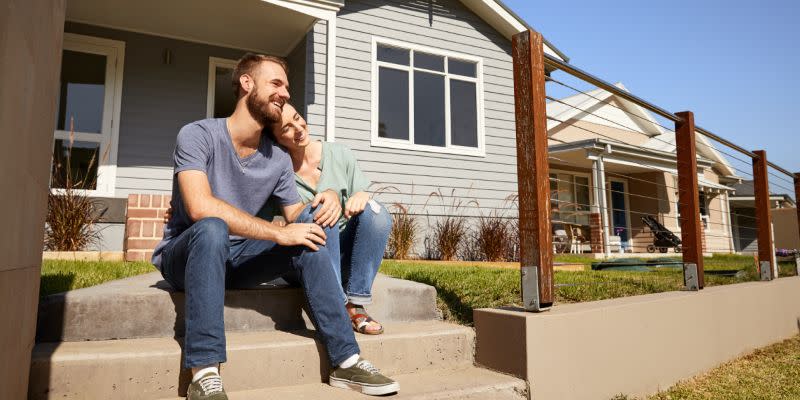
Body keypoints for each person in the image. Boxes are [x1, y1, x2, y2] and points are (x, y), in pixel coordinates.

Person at [151, 53, 398, 400]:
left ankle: (347, 360)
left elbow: (296, 213)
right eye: (276, 84)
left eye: (287, 87)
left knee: (309, 232)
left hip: (239, 259)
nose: (284, 93)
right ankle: (204, 373)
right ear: (246, 84)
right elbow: (199, 206)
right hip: (188, 255)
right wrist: (277, 232)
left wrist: (325, 197)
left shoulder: (278, 158)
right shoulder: (198, 134)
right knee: (212, 228)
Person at [260, 103, 392, 335]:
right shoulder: (278, 171)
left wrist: (361, 196)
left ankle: (355, 300)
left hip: (342, 254)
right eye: (287, 128)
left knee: (377, 212)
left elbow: (360, 191)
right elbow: (260, 219)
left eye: (298, 118)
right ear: (277, 139)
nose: (299, 128)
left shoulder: (339, 153)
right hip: (309, 254)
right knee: (319, 209)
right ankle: (337, 305)